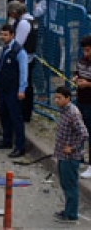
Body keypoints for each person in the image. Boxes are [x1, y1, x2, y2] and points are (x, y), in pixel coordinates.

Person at [0, 23, 28, 158]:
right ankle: (6, 140)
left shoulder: (19, 52)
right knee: (4, 115)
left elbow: (24, 72)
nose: (3, 37)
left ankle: (20, 146)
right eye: (2, 34)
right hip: (3, 88)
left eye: (6, 35)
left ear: (12, 36)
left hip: (13, 89)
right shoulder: (1, 49)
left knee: (15, 117)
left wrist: (22, 89)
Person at [53, 85, 88, 223]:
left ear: (68, 98)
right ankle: (68, 210)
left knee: (70, 185)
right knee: (66, 184)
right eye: (55, 98)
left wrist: (72, 148)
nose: (56, 100)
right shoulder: (64, 111)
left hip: (70, 157)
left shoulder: (73, 114)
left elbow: (84, 134)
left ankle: (71, 215)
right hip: (63, 155)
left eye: (59, 98)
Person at [7, 0, 38, 123]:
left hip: (24, 59)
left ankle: (23, 113)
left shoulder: (24, 23)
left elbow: (18, 43)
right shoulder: (31, 20)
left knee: (24, 86)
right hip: (29, 57)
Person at [72, 36, 91, 178]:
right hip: (81, 101)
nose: (86, 53)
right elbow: (77, 73)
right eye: (84, 50)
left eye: (88, 50)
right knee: (79, 131)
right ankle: (79, 157)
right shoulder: (82, 61)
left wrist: (88, 84)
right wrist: (76, 78)